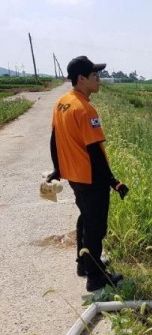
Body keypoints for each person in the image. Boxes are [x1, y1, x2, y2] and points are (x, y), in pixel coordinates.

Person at [46, 55, 129, 292]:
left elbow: (54, 139)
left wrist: (58, 168)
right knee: (96, 228)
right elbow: (94, 151)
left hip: (74, 176)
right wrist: (113, 181)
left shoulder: (62, 103)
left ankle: (84, 264)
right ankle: (95, 277)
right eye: (95, 75)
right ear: (81, 79)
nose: (99, 79)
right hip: (90, 178)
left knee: (86, 218)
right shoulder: (86, 110)